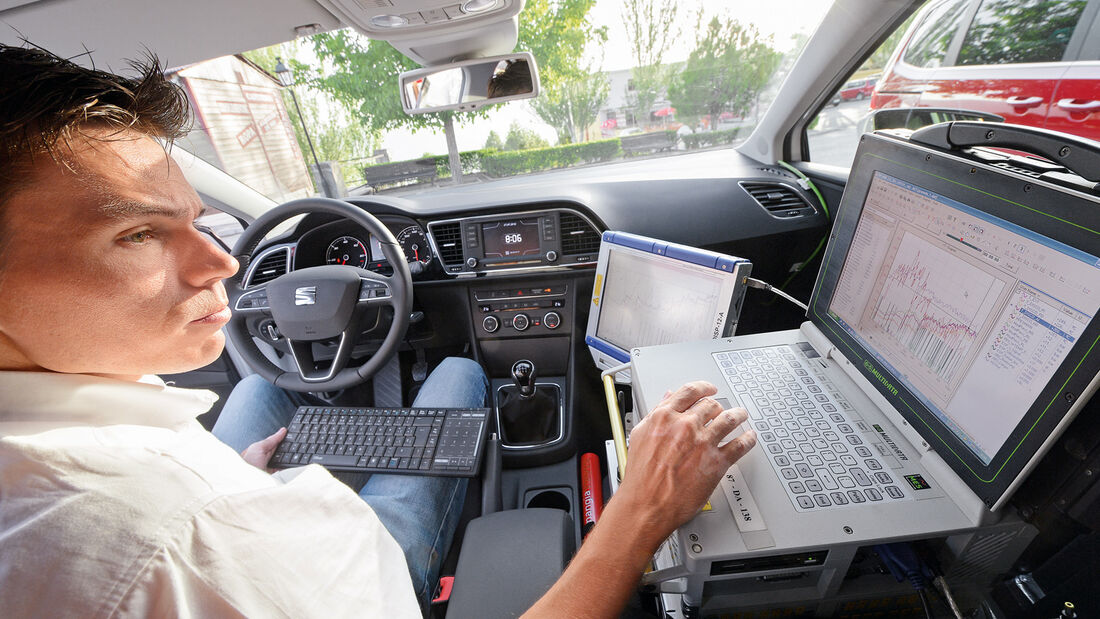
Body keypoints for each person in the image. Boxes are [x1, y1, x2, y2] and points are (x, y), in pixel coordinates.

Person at [0, 44, 756, 618]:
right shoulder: (194, 530)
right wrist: (643, 510)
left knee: (265, 383)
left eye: (197, 221)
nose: (222, 263)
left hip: (273, 520)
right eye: (137, 234)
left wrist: (243, 481)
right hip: (353, 565)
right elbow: (198, 538)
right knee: (461, 376)